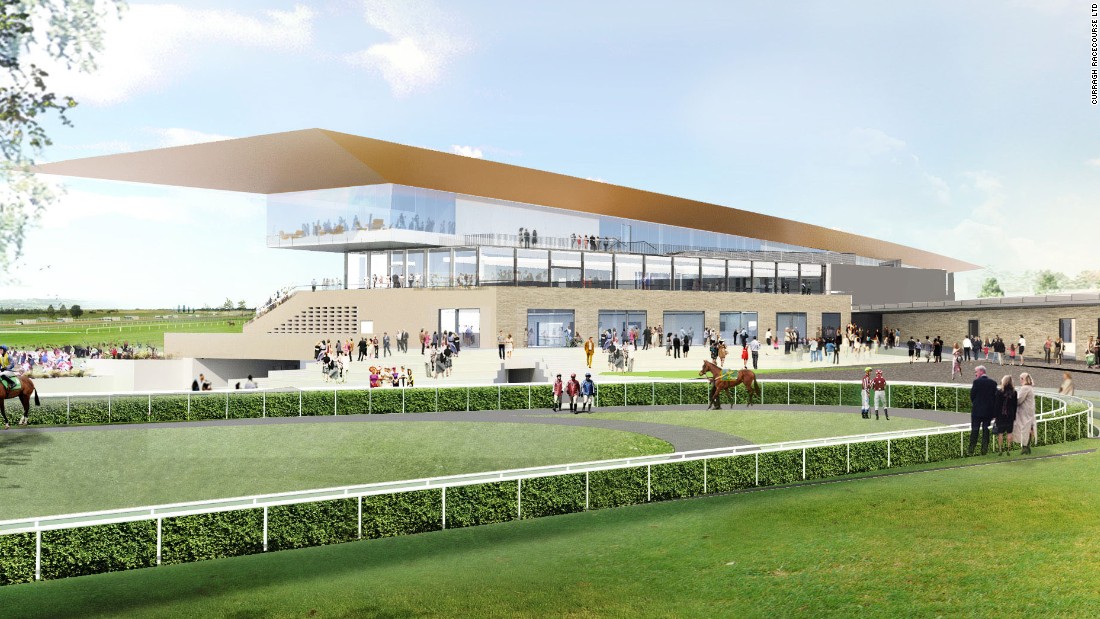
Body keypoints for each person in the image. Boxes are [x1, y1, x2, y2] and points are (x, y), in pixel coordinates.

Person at [968, 365, 998, 455]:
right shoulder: (993, 383)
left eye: (976, 372)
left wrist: (976, 404)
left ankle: (971, 450)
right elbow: (995, 399)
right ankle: (984, 450)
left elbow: (972, 396)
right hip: (988, 412)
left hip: (977, 411)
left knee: (975, 430)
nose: (975, 374)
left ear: (981, 371)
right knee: (986, 431)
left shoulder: (976, 382)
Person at [1015, 372, 1037, 454]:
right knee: (1029, 429)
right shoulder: (1030, 387)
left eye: (1021, 379)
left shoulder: (1025, 388)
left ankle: (1025, 447)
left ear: (1023, 379)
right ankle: (1027, 447)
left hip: (1025, 412)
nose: (1020, 380)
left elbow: (1019, 400)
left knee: (1025, 429)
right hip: (1029, 411)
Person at [995, 375, 1017, 455]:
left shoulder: (999, 392)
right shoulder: (1014, 393)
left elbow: (996, 405)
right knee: (1009, 433)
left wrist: (995, 416)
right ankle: (1008, 450)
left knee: (1000, 433)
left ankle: (1000, 450)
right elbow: (1015, 406)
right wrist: (1014, 416)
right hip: (1010, 416)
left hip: (1001, 415)